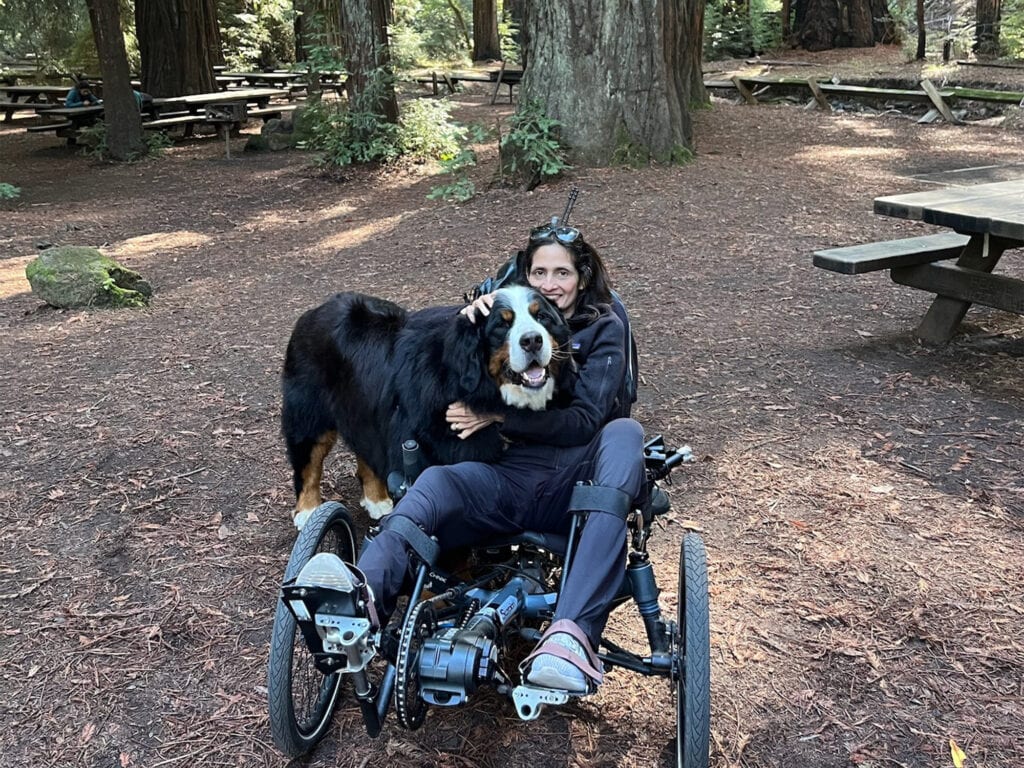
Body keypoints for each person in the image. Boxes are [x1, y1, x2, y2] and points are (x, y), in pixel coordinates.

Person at [329, 218, 646, 695]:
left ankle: (570, 638)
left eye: (561, 273)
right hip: (504, 476)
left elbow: (584, 420)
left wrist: (496, 416)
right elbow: (427, 338)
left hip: (576, 482)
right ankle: (362, 599)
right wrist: (464, 316)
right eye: (539, 273)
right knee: (435, 484)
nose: (550, 284)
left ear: (581, 275)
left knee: (625, 432)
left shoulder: (604, 326)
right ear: (524, 274)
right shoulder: (505, 312)